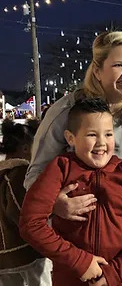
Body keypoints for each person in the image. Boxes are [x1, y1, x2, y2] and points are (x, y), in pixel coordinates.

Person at [24, 31, 122, 221]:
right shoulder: (66, 112)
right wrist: (56, 203)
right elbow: (35, 174)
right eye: (118, 65)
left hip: (119, 229)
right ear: (97, 71)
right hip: (74, 234)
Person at [20, 98, 122, 286]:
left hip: (117, 279)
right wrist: (79, 262)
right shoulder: (60, 169)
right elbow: (31, 224)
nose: (101, 143)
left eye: (108, 134)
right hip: (70, 278)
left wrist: (116, 270)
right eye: (92, 134)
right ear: (70, 138)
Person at [0, 119, 52, 286]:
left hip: (4, 257)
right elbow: (21, 212)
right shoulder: (19, 174)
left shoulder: (3, 174)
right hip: (25, 252)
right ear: (26, 148)